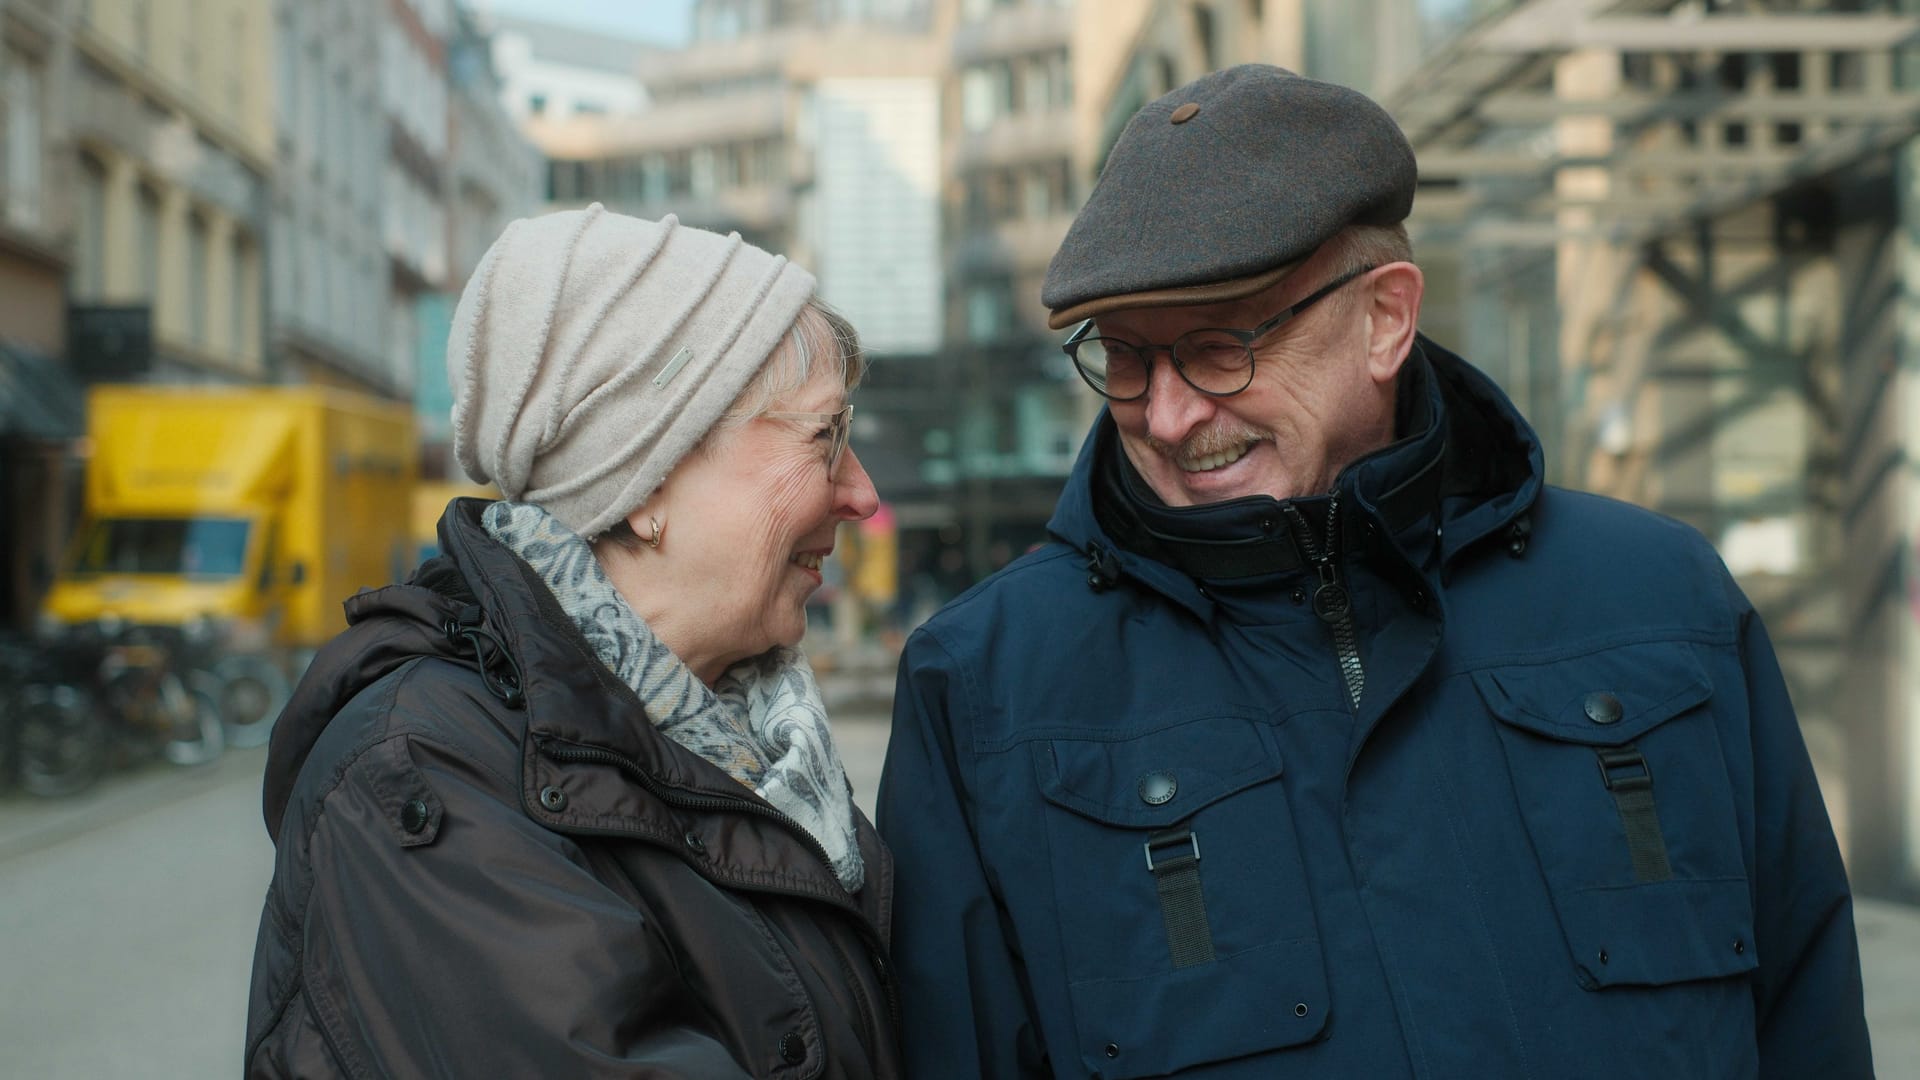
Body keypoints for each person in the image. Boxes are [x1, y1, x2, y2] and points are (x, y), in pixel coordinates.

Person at [878, 65, 1873, 1077]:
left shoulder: (1668, 601)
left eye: (1220, 347)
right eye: (1127, 359)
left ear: (1385, 320)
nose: (1169, 415)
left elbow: (1808, 1013)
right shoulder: (985, 687)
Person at [246, 205, 900, 1078]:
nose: (860, 493)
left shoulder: (750, 746)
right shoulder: (422, 774)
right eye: (826, 438)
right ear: (646, 478)